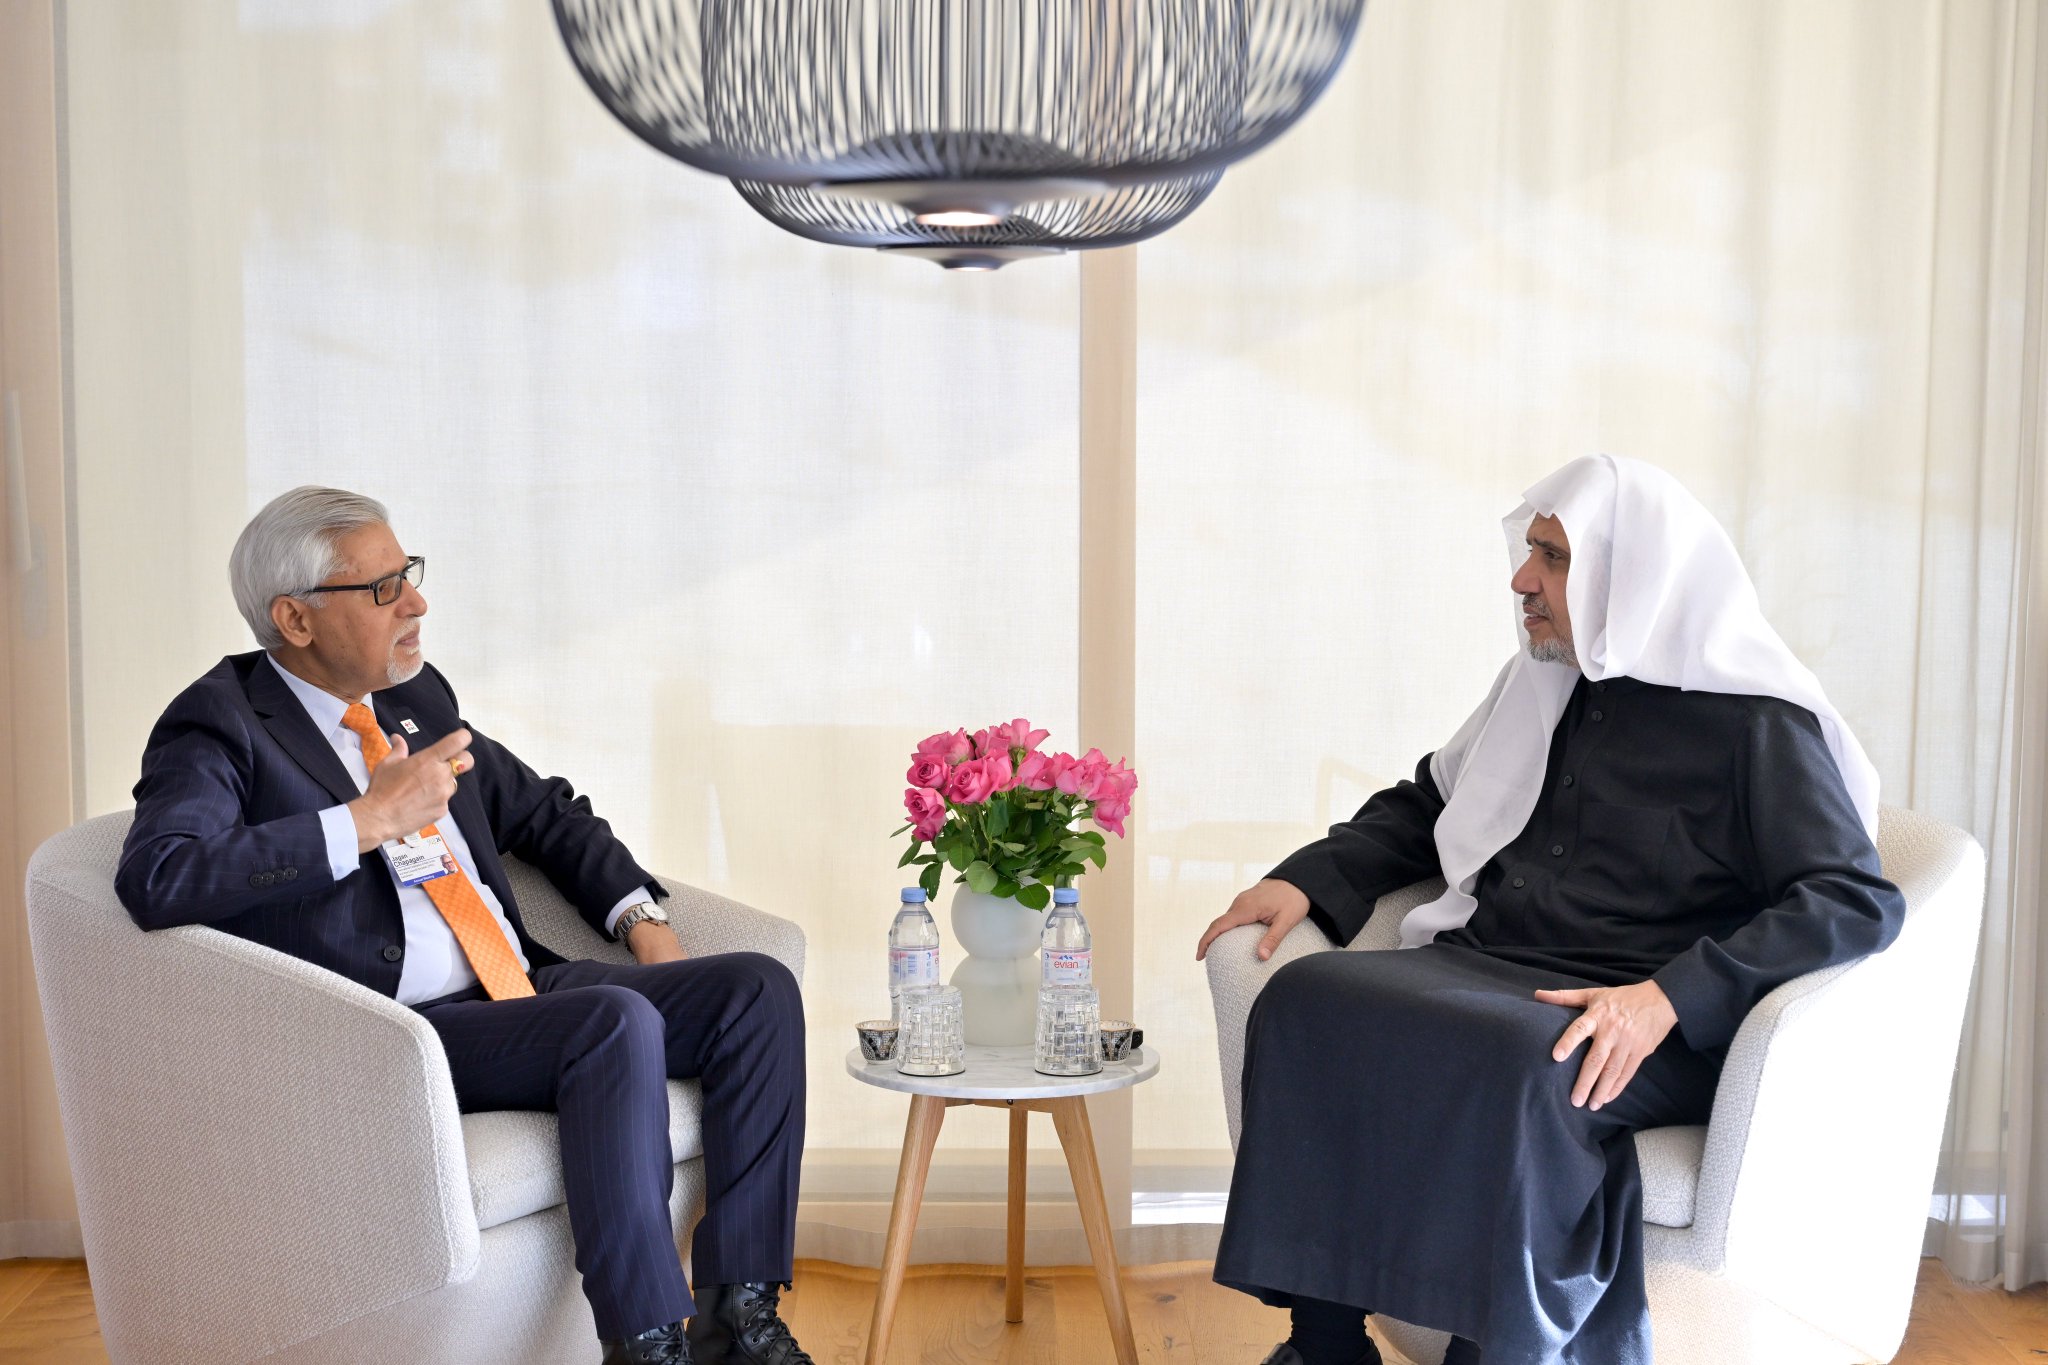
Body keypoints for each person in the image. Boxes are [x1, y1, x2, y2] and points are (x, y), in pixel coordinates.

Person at [1194, 455, 1904, 1365]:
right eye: (1531, 552)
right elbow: (1431, 804)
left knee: (1526, 1060)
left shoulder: (1756, 723)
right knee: (1305, 999)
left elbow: (1852, 899)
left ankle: (1495, 1347)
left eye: (1555, 558)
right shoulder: (1543, 682)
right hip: (1490, 965)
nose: (1524, 580)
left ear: (1631, 573)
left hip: (1646, 1017)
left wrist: (1668, 995)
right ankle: (1325, 1343)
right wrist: (1309, 876)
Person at [117, 486, 810, 1365]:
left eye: (409, 573)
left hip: (519, 988)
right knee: (615, 1020)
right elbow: (159, 874)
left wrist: (642, 920)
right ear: (294, 618)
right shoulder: (220, 723)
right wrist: (365, 821)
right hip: (397, 1028)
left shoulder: (415, 696)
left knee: (754, 989)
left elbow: (546, 814)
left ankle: (736, 1319)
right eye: (381, 589)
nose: (416, 603)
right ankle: (644, 1345)